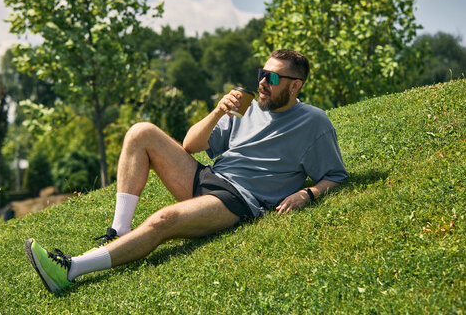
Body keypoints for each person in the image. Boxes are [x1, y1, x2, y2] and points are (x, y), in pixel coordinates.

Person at [25, 49, 348, 293]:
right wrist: (218, 111)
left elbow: (335, 174)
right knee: (141, 131)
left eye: (273, 78)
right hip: (209, 177)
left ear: (295, 86)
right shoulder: (247, 107)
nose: (263, 82)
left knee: (164, 219)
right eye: (262, 73)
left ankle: (70, 270)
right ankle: (119, 231)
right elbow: (190, 146)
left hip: (239, 200)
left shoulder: (314, 122)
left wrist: (307, 193)